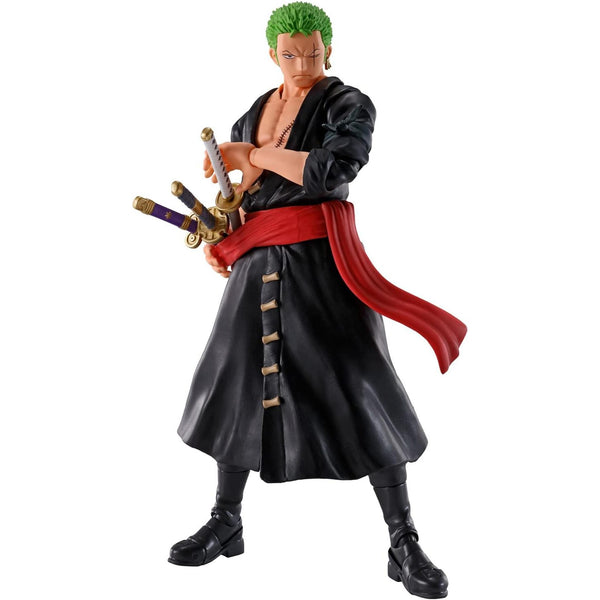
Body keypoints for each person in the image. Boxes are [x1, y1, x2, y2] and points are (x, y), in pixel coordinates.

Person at [168, 4, 465, 598]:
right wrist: (224, 243)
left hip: (322, 265)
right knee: (237, 385)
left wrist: (251, 156)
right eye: (290, 54)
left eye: (313, 52)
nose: (302, 63)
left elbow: (329, 170)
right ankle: (227, 520)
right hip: (257, 266)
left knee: (360, 383)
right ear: (271, 54)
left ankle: (402, 538)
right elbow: (242, 200)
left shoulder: (347, 103)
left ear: (329, 49)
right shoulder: (254, 112)